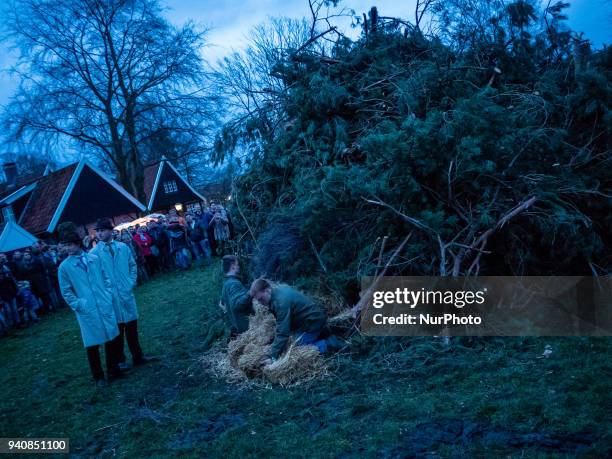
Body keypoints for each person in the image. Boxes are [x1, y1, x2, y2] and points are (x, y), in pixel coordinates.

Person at [57, 222, 125, 388]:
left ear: (78, 244)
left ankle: (113, 369)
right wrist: (79, 304)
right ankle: (98, 376)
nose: (68, 248)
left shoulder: (94, 258)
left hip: (104, 303)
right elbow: (66, 292)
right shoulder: (64, 267)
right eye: (65, 245)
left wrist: (107, 295)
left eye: (70, 245)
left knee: (111, 338)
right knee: (92, 344)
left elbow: (106, 278)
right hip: (87, 308)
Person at [92, 218, 156, 368]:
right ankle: (120, 360)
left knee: (132, 327)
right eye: (98, 231)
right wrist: (105, 291)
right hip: (111, 297)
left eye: (103, 230)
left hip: (125, 292)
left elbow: (132, 265)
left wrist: (131, 281)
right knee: (117, 330)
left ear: (111, 231)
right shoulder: (94, 253)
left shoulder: (123, 247)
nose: (100, 234)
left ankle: (138, 356)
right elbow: (94, 277)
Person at [249, 279, 329, 362]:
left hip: (313, 322)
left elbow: (283, 333)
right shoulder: (278, 291)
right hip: (307, 321)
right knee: (290, 339)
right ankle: (321, 333)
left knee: (295, 347)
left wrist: (272, 356)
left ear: (267, 290)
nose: (260, 302)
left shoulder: (281, 303)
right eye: (258, 300)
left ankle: (328, 344)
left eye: (261, 299)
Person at [220, 255, 254, 337]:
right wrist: (251, 293)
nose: (239, 267)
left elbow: (221, 303)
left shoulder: (226, 283)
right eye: (237, 264)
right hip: (247, 327)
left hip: (239, 327)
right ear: (233, 266)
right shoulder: (234, 284)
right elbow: (238, 304)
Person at [0, 253, 21, 329]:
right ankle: (11, 324)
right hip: (3, 294)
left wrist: (16, 288)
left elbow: (12, 279)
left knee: (14, 309)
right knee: (8, 310)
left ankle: (18, 323)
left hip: (11, 291)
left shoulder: (6, 268)